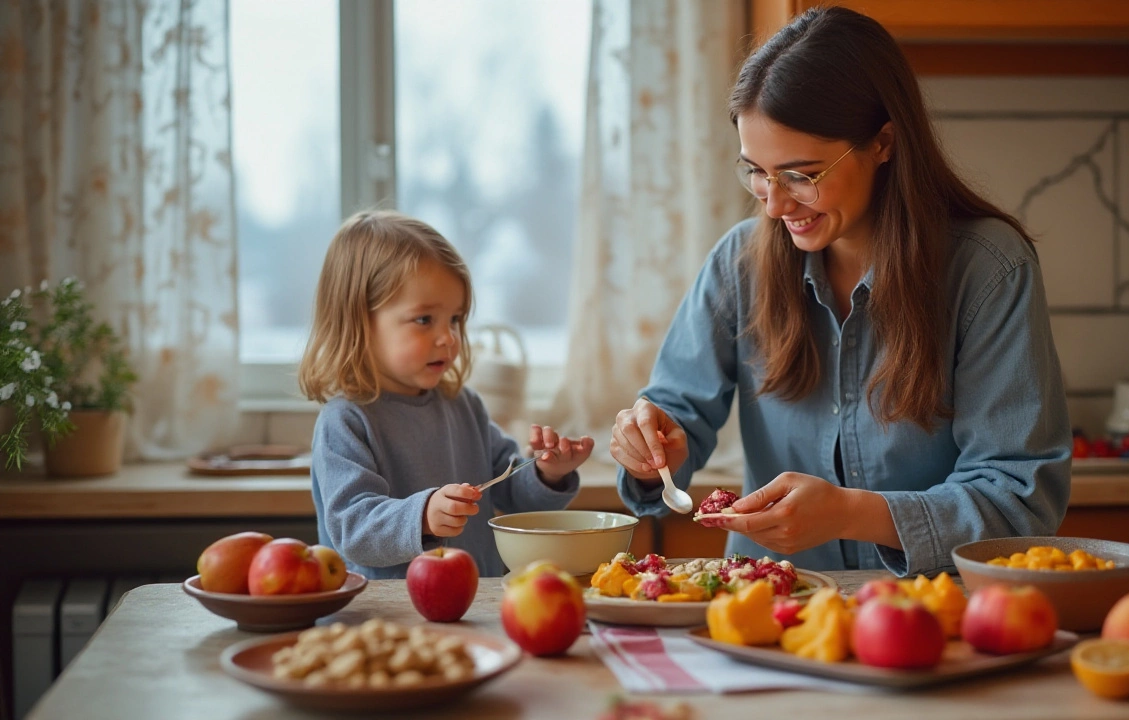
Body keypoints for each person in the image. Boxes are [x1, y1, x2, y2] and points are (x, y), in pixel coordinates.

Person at [609, 6, 1071, 576]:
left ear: (883, 143)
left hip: (928, 616)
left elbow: (1018, 500)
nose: (773, 205)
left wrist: (853, 514)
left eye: (802, 174)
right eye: (756, 170)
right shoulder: (738, 262)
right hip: (760, 607)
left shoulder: (988, 270)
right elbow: (675, 415)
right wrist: (653, 448)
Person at [300, 210, 594, 579]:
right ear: (360, 322)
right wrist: (423, 515)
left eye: (455, 319)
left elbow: (512, 494)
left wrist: (548, 473)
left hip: (477, 609)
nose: (449, 338)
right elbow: (353, 529)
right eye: (425, 320)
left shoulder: (463, 406)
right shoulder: (345, 421)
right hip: (388, 619)